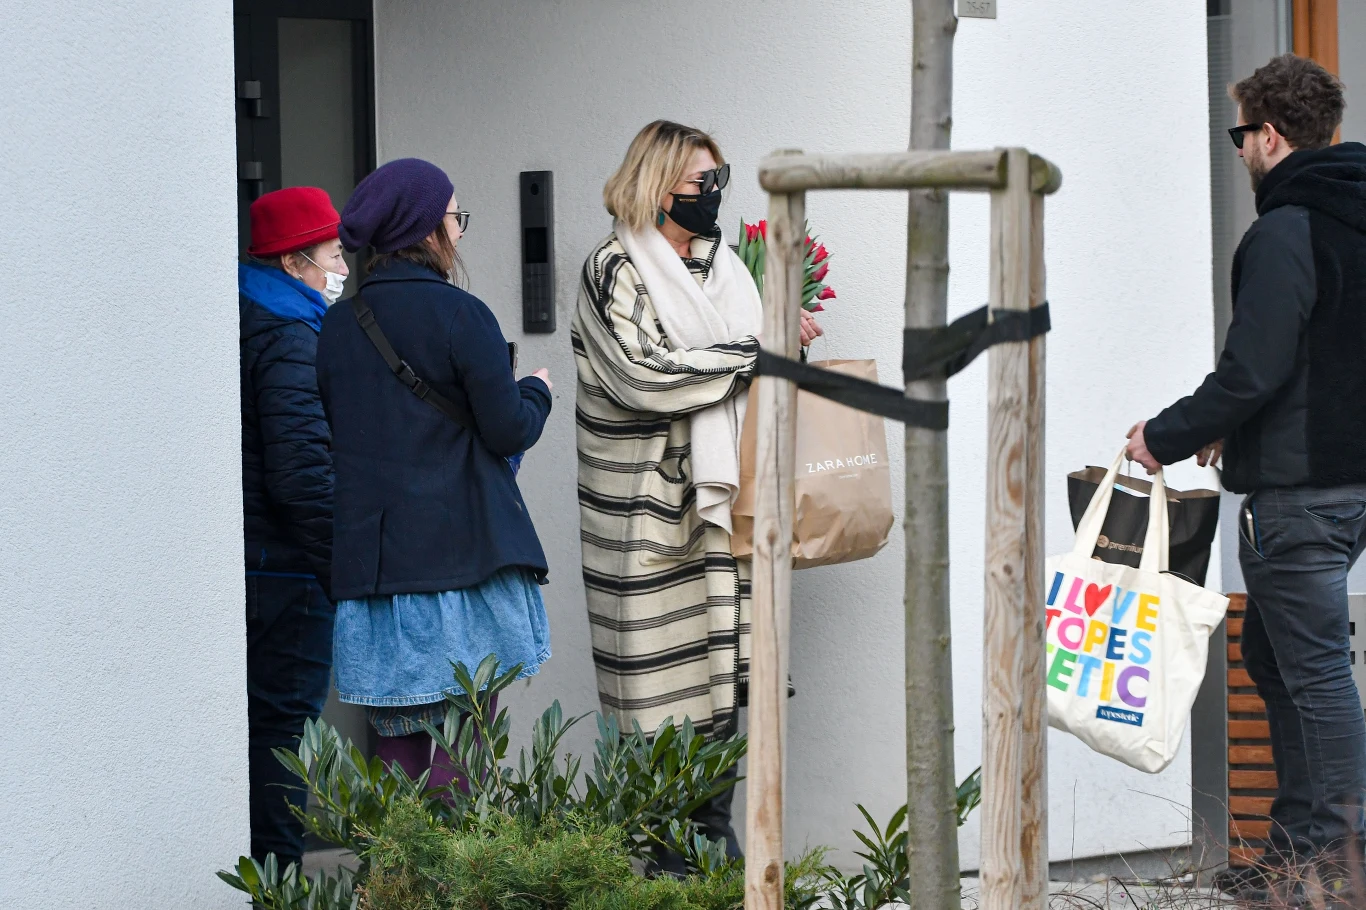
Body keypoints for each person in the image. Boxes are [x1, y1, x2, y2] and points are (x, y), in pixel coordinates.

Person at [1125, 55, 1366, 901]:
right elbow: (1320, 357)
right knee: (1276, 658)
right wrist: (1240, 426)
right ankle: (1298, 849)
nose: (1238, 152)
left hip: (1298, 496)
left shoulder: (1286, 229)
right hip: (1346, 487)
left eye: (1240, 134)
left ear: (1269, 135)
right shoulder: (1353, 215)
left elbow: (1253, 368)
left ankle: (1337, 866)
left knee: (1316, 676)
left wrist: (1165, 433)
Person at [572, 120, 821, 871]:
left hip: (728, 522)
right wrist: (757, 352)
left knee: (718, 726)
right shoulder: (613, 268)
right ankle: (684, 879)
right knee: (660, 731)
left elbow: (745, 371)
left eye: (720, 179)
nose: (714, 195)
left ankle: (707, 878)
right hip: (648, 524)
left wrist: (786, 343)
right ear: (657, 185)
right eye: (700, 183)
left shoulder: (727, 269)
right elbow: (641, 374)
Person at [316, 158, 553, 787]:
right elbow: (505, 429)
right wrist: (536, 392)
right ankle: (460, 885)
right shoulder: (462, 315)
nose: (459, 231)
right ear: (426, 229)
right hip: (459, 563)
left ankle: (395, 882)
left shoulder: (339, 325)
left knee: (395, 754)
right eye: (455, 217)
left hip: (378, 571)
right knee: (464, 750)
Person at [239, 186, 346, 870]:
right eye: (334, 253)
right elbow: (304, 473)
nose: (343, 267)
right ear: (293, 261)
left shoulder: (249, 317)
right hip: (288, 571)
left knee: (254, 735)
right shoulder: (287, 335)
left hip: (258, 563)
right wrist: (342, 572)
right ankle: (276, 886)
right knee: (281, 738)